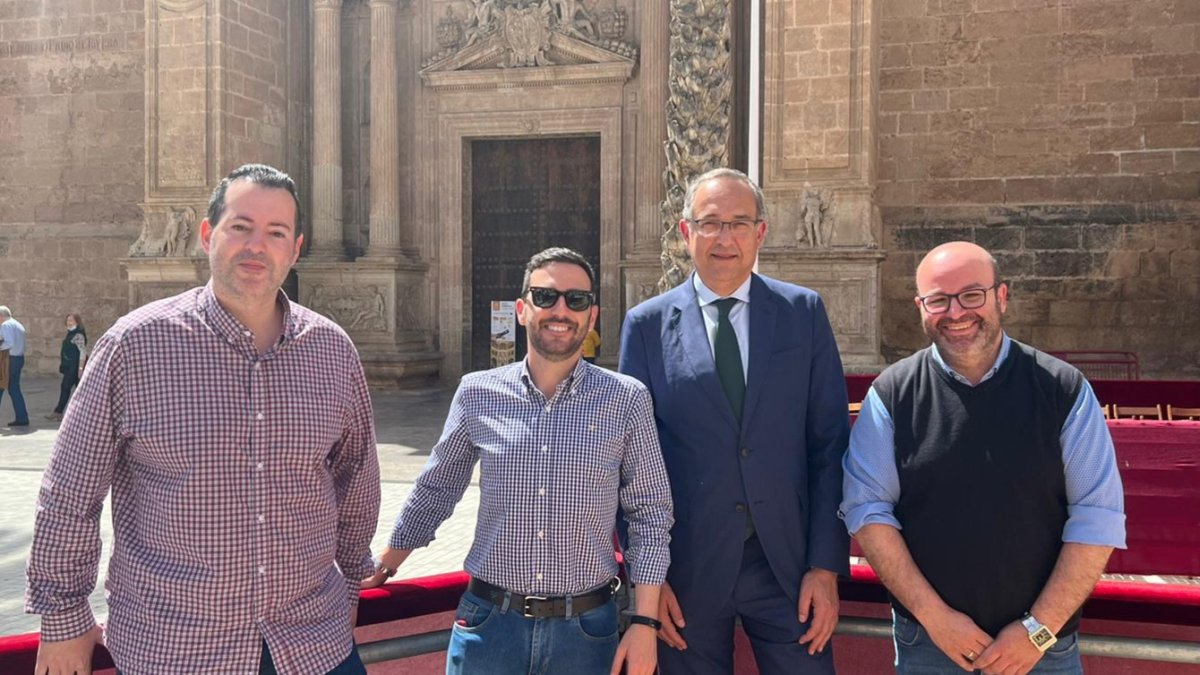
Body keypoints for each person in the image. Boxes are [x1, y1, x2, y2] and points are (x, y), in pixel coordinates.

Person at [26, 164, 381, 675]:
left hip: (313, 648)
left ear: (295, 248)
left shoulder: (332, 352)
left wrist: (350, 580)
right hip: (176, 652)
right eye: (240, 227)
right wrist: (63, 615)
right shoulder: (134, 346)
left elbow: (356, 482)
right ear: (207, 234)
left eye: (276, 232)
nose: (257, 245)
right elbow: (69, 492)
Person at [364, 247, 673, 675]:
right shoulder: (476, 392)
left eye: (576, 299)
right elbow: (438, 486)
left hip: (586, 632)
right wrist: (389, 560)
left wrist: (644, 621)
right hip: (490, 625)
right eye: (546, 297)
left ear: (592, 316)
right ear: (523, 309)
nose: (560, 310)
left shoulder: (626, 400)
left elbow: (650, 513)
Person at [840, 241, 1126, 675]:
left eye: (972, 295)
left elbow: (1097, 518)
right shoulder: (891, 395)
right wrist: (936, 619)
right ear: (921, 307)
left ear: (1002, 297)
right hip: (931, 644)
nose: (956, 312)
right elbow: (868, 511)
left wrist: (1038, 630)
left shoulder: (1063, 391)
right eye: (938, 300)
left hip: (1043, 651)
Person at [619, 168, 850, 675]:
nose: (724, 237)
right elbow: (631, 461)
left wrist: (826, 565)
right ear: (686, 233)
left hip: (788, 569)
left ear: (760, 232)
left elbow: (829, 444)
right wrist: (647, 579)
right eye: (710, 223)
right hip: (688, 572)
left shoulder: (802, 313)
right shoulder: (647, 326)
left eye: (739, 223)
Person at [46, 314, 88, 421]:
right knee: (75, 390)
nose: (69, 322)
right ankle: (60, 412)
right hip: (70, 367)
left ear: (77, 322)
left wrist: (80, 369)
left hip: (74, 368)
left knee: (67, 388)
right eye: (68, 320)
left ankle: (58, 412)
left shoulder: (78, 335)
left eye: (71, 321)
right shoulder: (71, 334)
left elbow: (82, 352)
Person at [0, 305, 29, 427]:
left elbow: (9, 342)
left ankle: (22, 418)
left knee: (1, 385)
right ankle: (22, 418)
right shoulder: (18, 324)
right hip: (18, 359)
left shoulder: (6, 325)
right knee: (14, 389)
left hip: (9, 360)